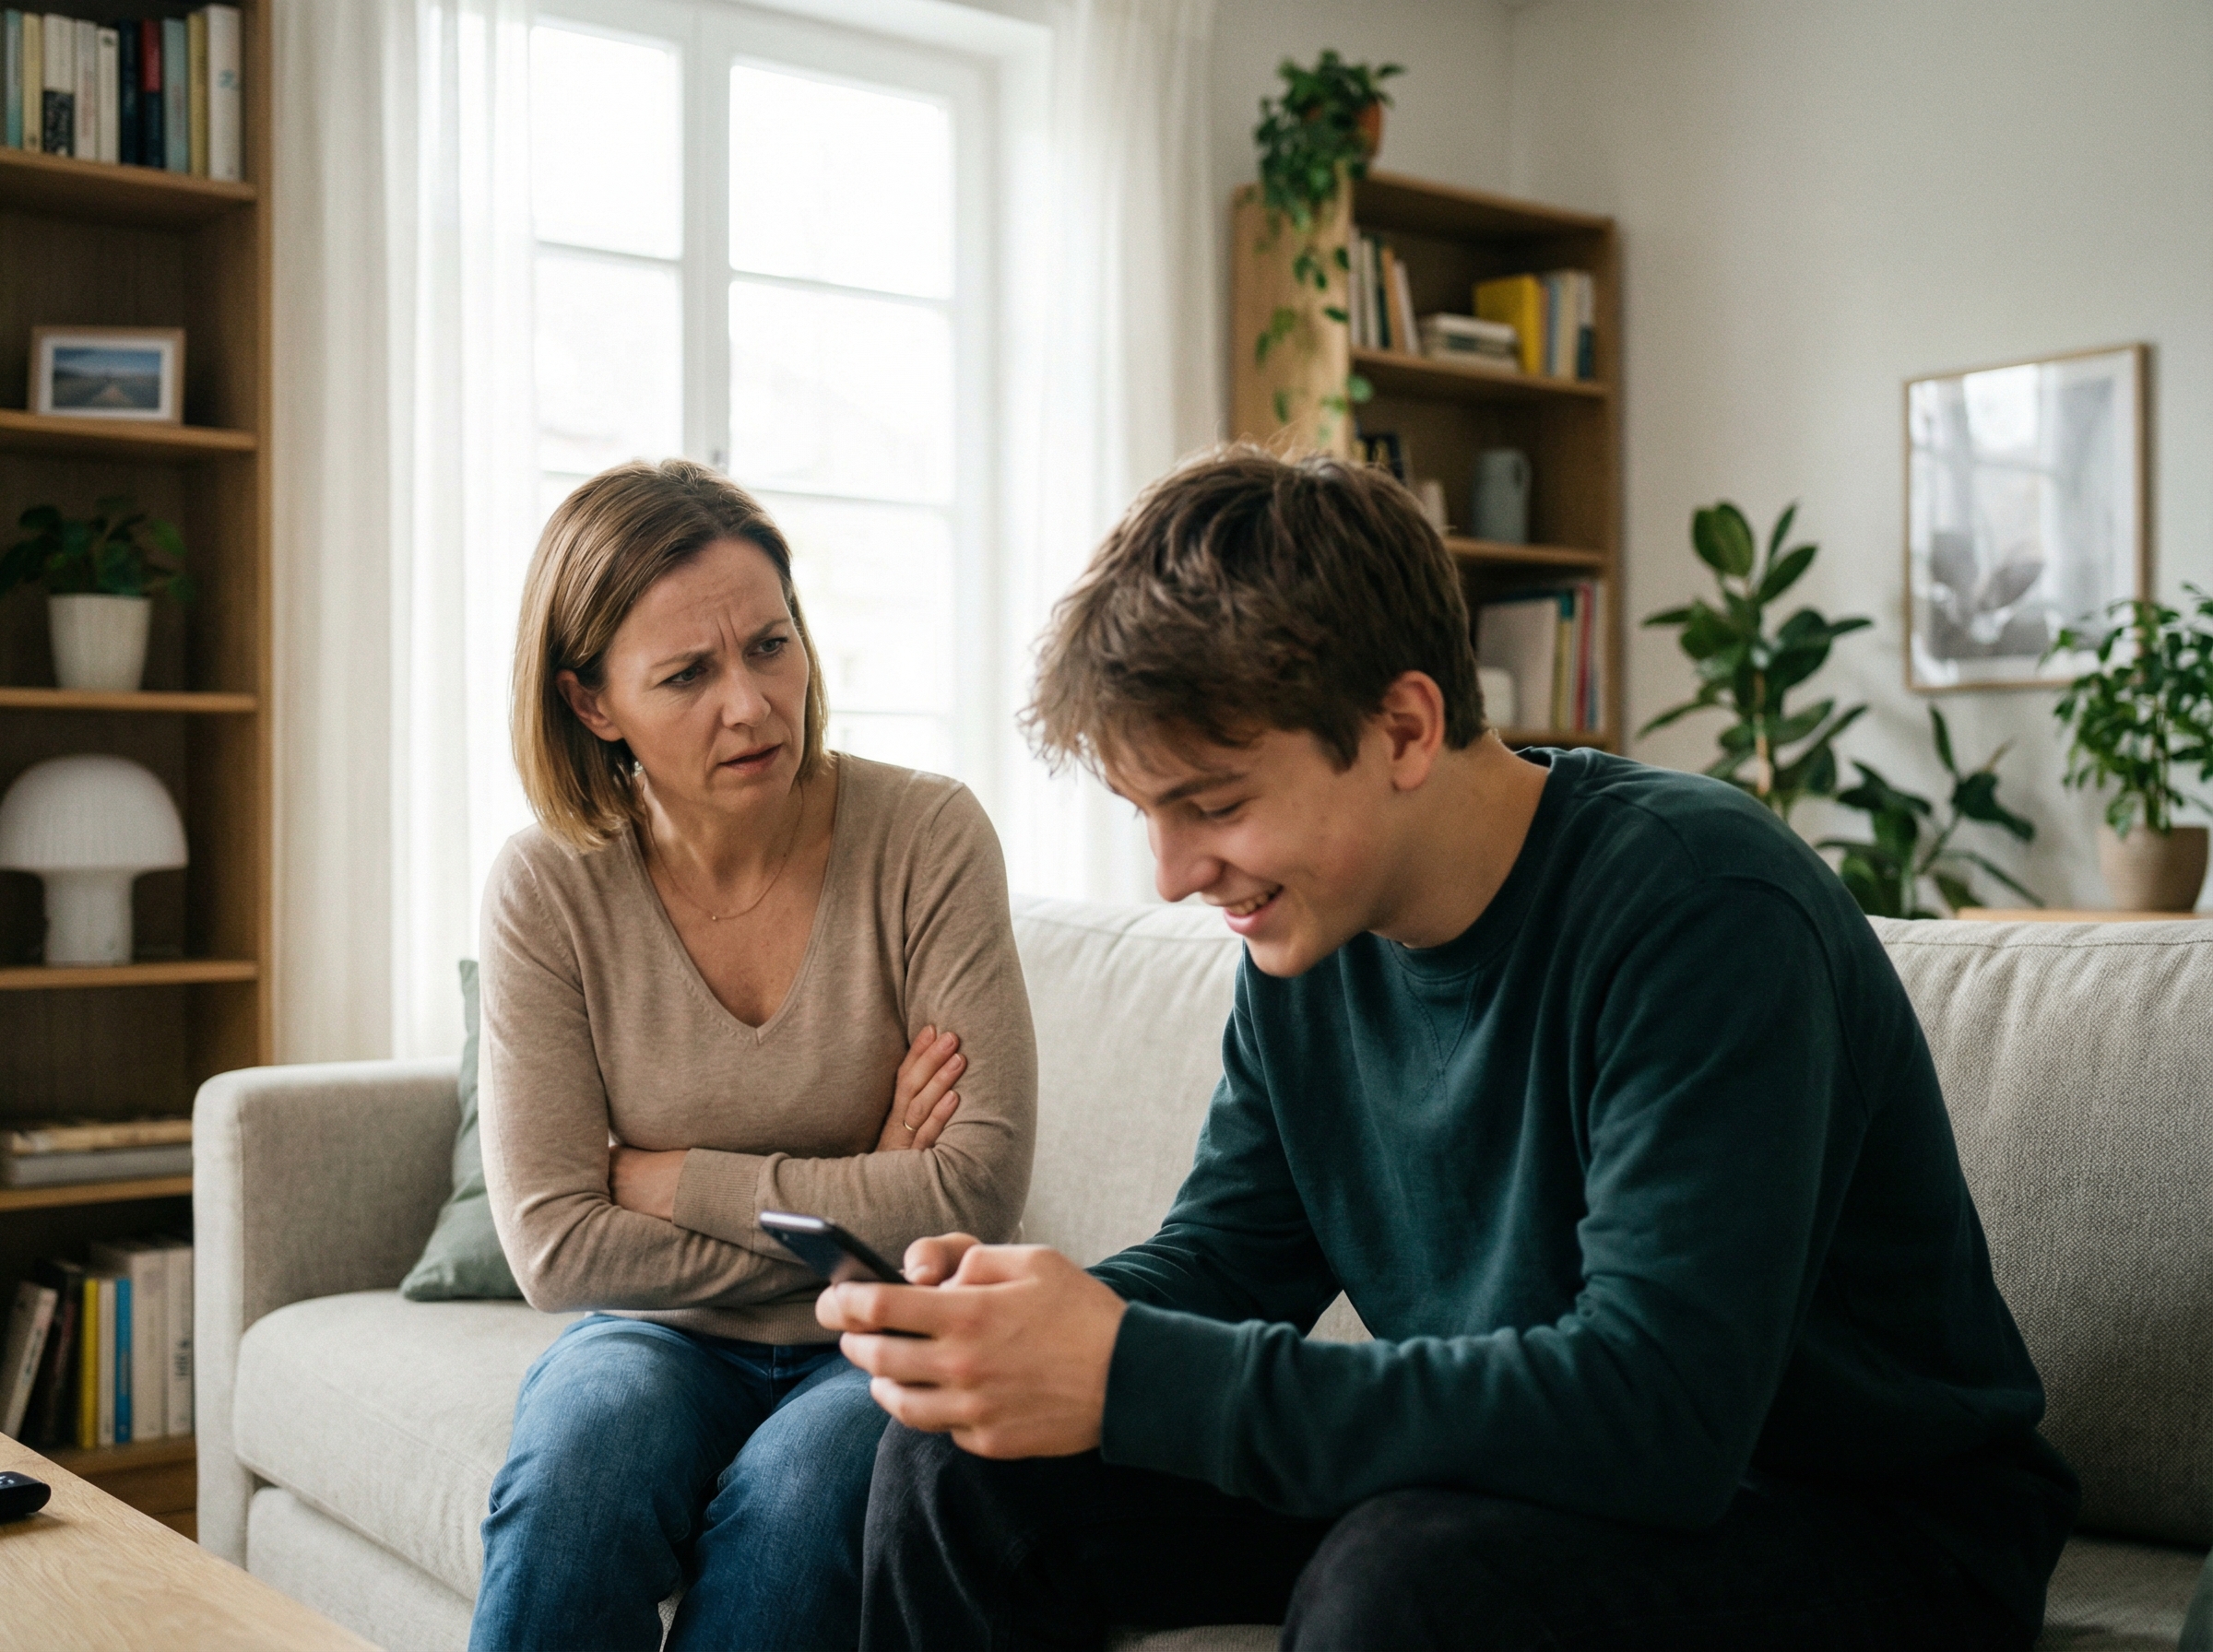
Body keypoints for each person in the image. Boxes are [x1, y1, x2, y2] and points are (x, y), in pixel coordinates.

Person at [821, 447, 2078, 1651]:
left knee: (1409, 1585)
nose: (1172, 877)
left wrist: (1137, 1374)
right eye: (1149, 816)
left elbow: (1661, 1412)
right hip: (1540, 1474)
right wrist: (1030, 1322)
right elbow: (1234, 1253)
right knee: (957, 1470)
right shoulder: (1309, 942)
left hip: (1861, 1523)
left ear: (1407, 729)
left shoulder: (1703, 910)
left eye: (1215, 806)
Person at [471, 459, 1036, 1652]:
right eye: (688, 674)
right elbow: (558, 1248)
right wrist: (853, 1204)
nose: (752, 703)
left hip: (883, 1336)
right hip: (661, 1332)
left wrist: (672, 1177)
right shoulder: (548, 887)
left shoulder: (926, 837)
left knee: (797, 1504)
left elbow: (971, 1191)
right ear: (592, 704)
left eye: (771, 647)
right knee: (578, 1462)